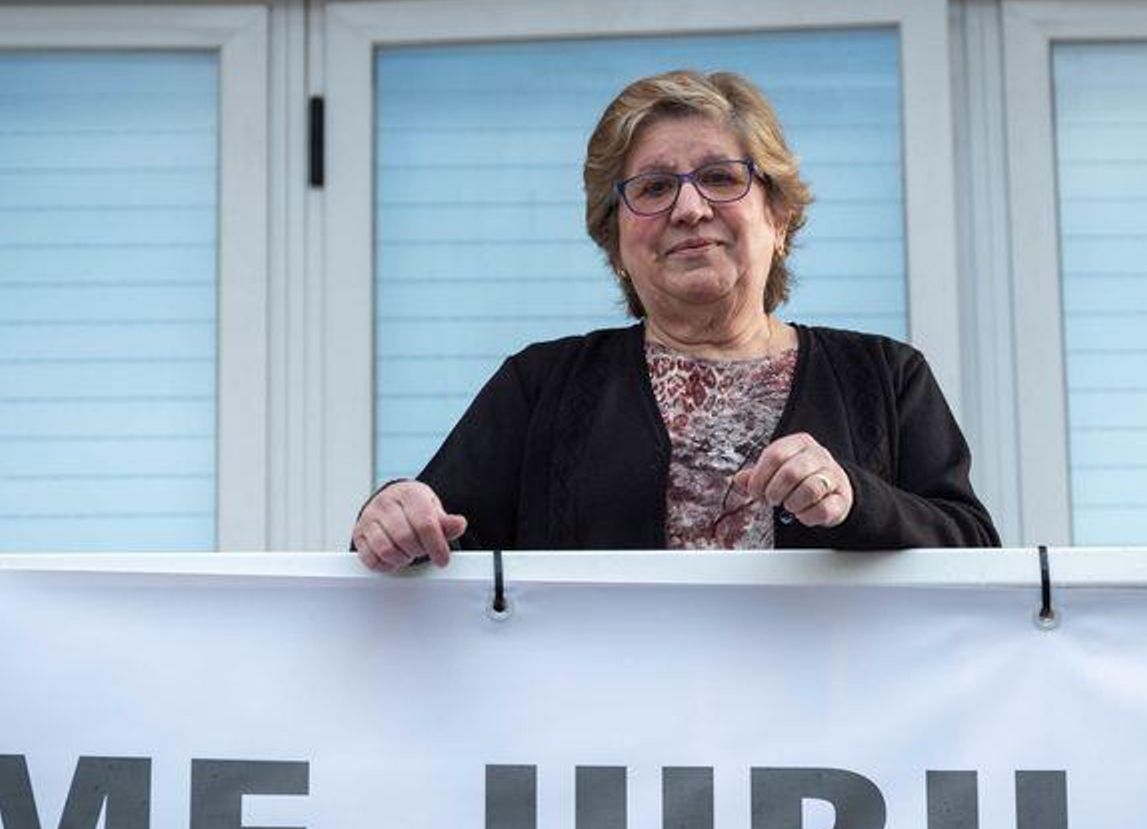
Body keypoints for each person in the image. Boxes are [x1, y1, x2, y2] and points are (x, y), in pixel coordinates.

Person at [353, 70, 998, 571]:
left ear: (778, 219)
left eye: (721, 177)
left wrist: (857, 501)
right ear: (617, 243)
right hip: (600, 740)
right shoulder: (540, 384)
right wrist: (392, 515)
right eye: (654, 188)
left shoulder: (886, 376)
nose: (689, 208)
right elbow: (427, 547)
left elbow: (977, 559)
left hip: (830, 737)